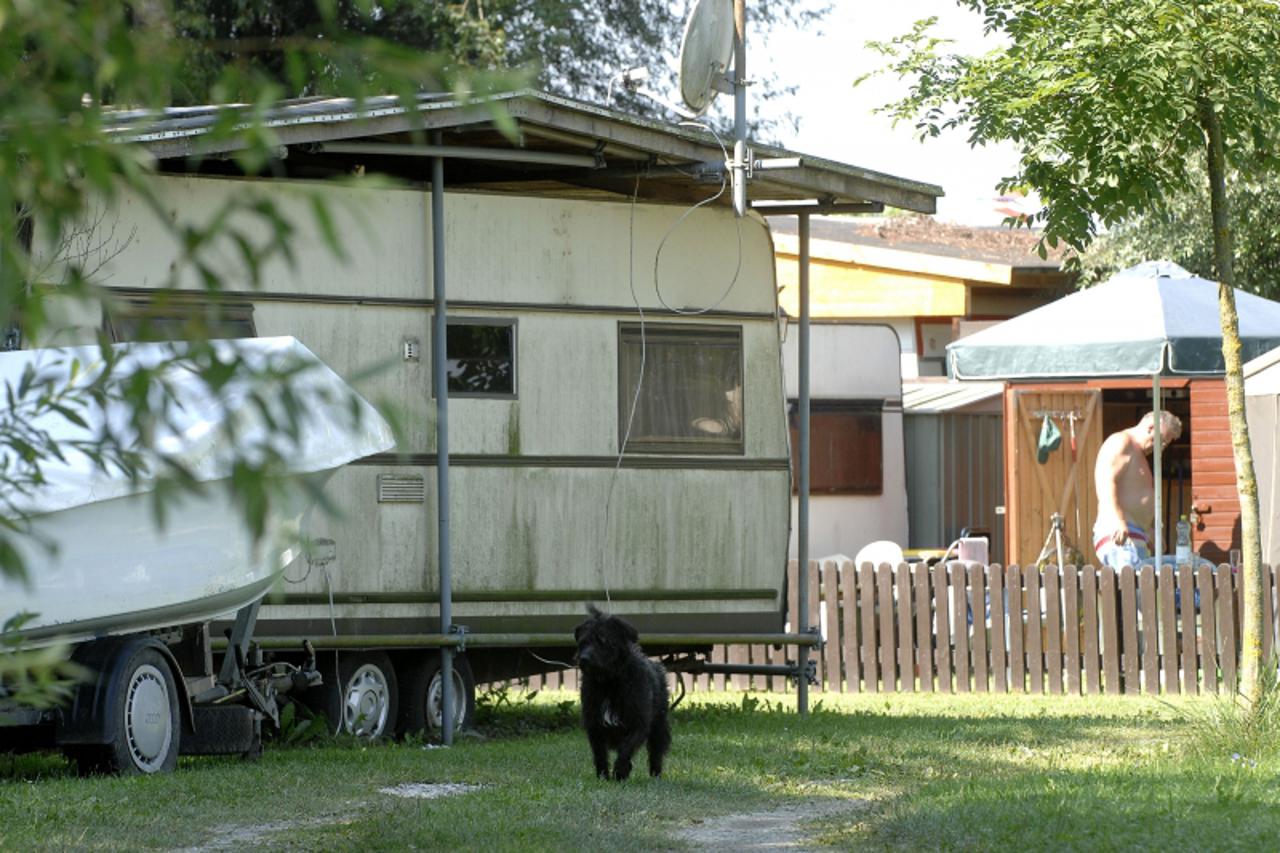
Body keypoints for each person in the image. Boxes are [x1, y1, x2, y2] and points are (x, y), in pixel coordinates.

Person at [1093, 411, 1183, 569]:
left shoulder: (1137, 453)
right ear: (1151, 427)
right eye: (1161, 441)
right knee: (1134, 591)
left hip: (1135, 536)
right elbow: (1106, 481)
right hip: (1120, 537)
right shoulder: (1121, 441)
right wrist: (1118, 520)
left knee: (1143, 591)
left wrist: (1151, 530)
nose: (1161, 447)